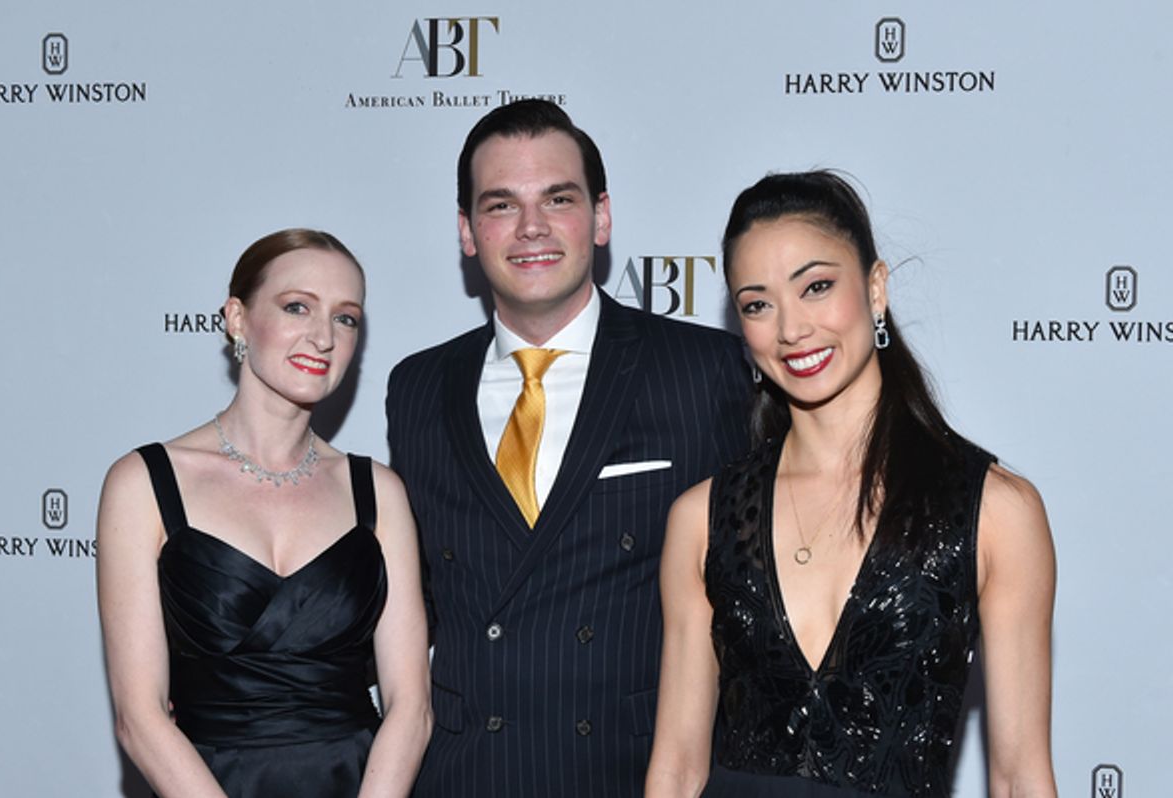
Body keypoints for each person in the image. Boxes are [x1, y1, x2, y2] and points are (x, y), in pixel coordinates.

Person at [646, 172, 1057, 798]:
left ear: (875, 287)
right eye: (758, 303)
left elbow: (1019, 776)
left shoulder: (996, 511)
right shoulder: (702, 518)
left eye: (816, 287)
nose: (791, 329)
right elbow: (676, 770)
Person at [385, 99, 750, 797]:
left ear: (601, 216)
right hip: (465, 778)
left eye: (558, 198)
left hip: (634, 775)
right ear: (467, 232)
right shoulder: (418, 387)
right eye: (500, 205)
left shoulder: (706, 372)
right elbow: (418, 600)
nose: (531, 228)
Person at [97, 229, 432, 798]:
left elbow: (411, 707)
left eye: (346, 318)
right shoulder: (144, 484)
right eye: (297, 306)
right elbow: (140, 718)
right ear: (236, 318)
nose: (323, 336)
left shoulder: (379, 491)